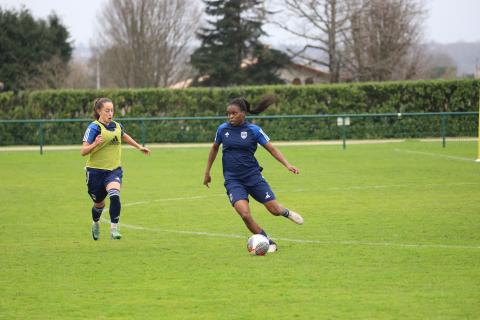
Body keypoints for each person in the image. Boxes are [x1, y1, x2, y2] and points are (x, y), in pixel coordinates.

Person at [203, 95, 304, 252]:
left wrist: (287, 164)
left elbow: (271, 148)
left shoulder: (254, 131)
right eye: (228, 113)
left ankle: (286, 212)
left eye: (234, 113)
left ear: (243, 113)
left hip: (253, 177)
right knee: (244, 214)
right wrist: (207, 172)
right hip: (233, 180)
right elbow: (214, 148)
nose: (230, 117)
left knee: (274, 210)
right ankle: (268, 241)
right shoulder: (222, 129)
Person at [81, 98, 150, 240]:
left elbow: (124, 137)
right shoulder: (94, 128)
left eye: (112, 110)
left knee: (115, 194)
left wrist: (139, 147)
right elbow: (83, 151)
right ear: (99, 111)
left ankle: (114, 228)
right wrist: (94, 144)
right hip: (95, 172)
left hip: (113, 170)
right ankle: (95, 222)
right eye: (107, 110)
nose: (110, 113)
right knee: (98, 204)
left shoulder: (117, 126)